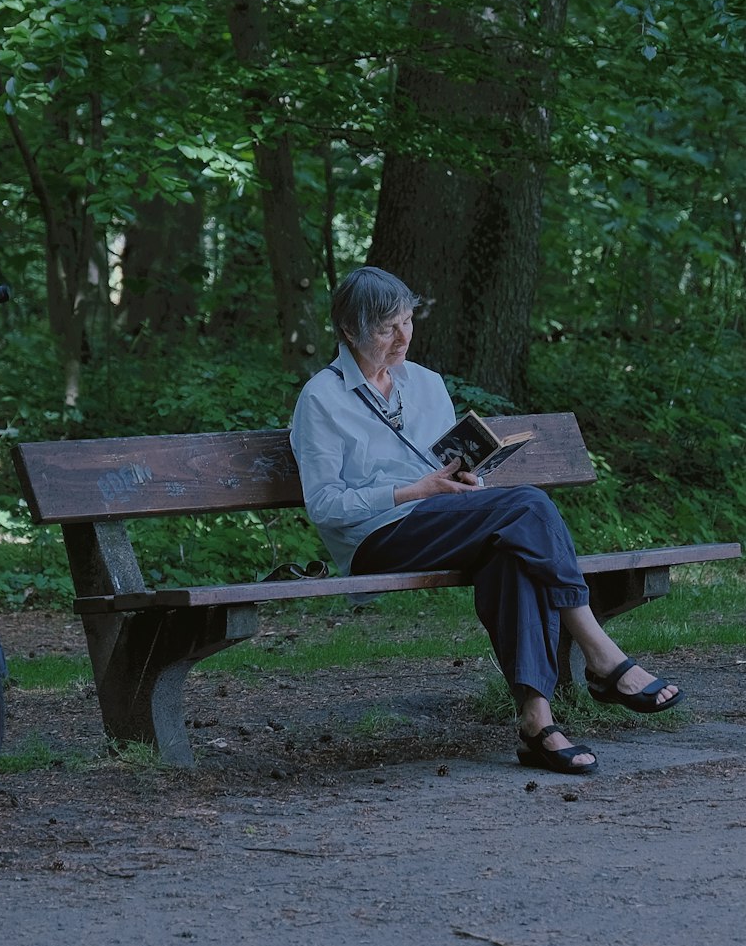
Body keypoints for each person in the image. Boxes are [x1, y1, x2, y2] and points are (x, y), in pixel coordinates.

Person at [289, 265, 682, 776]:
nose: (403, 337)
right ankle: (601, 655)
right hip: (378, 537)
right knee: (530, 505)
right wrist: (415, 489)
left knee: (511, 555)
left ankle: (537, 723)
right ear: (349, 331)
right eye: (387, 328)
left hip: (444, 520)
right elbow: (323, 505)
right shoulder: (321, 397)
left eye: (407, 321)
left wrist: (464, 480)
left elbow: (445, 469)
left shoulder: (426, 384)